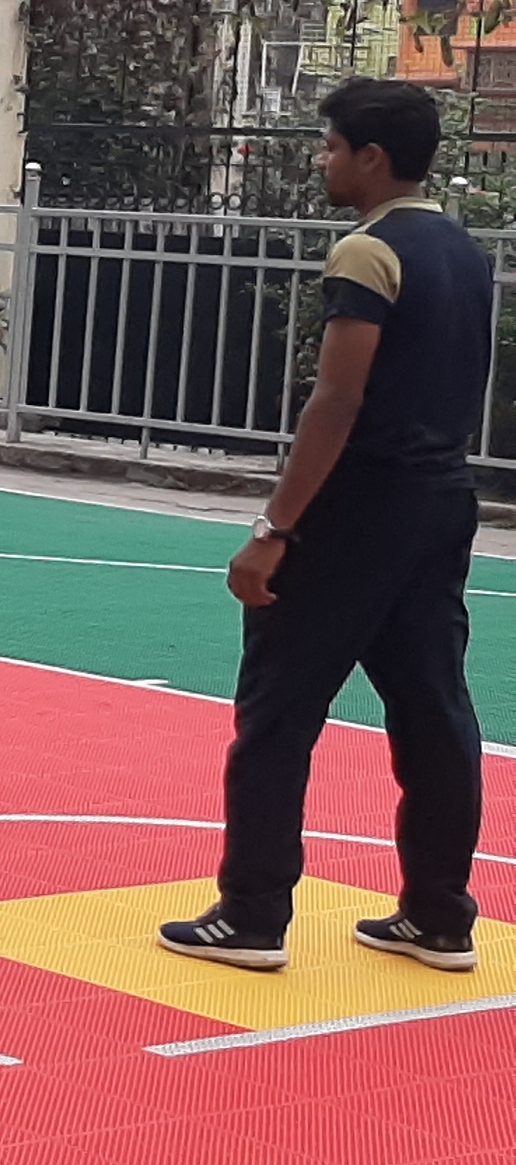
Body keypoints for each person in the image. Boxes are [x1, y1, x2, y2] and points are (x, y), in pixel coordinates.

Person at [164, 81, 487, 973]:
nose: (322, 160)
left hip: (358, 509)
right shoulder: (462, 249)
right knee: (434, 710)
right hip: (441, 499)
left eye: (331, 146)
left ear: (371, 158)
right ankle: (441, 916)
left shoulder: (367, 254)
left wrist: (274, 527)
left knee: (277, 713)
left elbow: (336, 400)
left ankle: (253, 914)